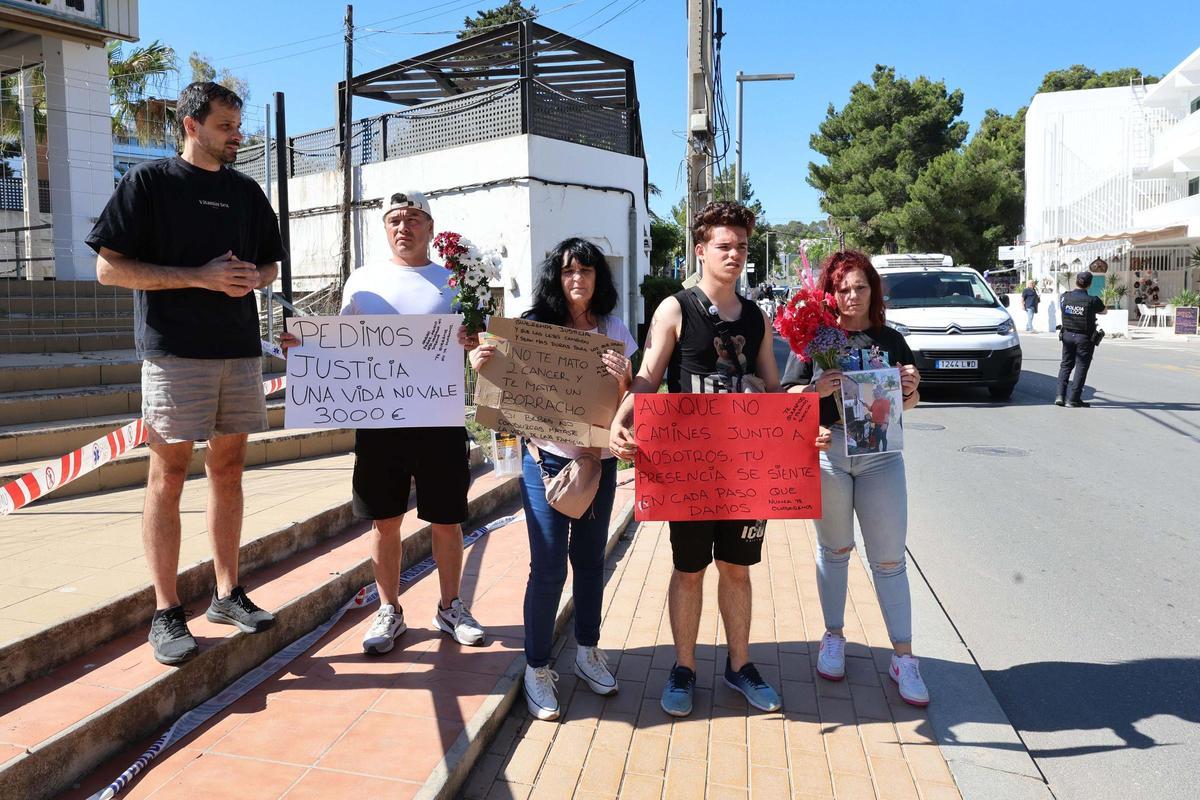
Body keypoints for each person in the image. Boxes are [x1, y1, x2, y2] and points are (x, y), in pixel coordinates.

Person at [87, 83, 284, 665]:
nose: (236, 134)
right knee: (167, 476)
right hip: (173, 354)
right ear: (191, 125)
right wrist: (198, 277)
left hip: (239, 351)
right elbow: (107, 270)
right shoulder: (147, 184)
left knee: (228, 469)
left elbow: (270, 263)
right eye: (225, 124)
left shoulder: (246, 192)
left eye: (237, 124)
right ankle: (166, 610)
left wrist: (254, 279)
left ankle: (227, 593)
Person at [283, 189, 485, 654]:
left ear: (431, 228)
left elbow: (481, 344)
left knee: (447, 520)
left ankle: (450, 606)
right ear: (385, 228)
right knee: (384, 521)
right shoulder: (362, 281)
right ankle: (389, 609)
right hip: (381, 423)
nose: (404, 226)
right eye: (395, 219)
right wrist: (303, 348)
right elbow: (338, 344)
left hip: (440, 421)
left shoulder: (456, 282)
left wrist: (475, 341)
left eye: (414, 218)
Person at [609, 201, 787, 717]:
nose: (735, 255)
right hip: (689, 470)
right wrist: (624, 416)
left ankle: (739, 665)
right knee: (689, 569)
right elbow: (648, 376)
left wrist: (805, 424)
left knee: (737, 568)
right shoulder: (675, 308)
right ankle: (683, 668)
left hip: (746, 470)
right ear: (701, 249)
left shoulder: (757, 318)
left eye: (742, 247)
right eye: (724, 246)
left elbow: (773, 391)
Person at [469, 238, 635, 721]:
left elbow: (628, 402)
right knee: (547, 569)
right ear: (555, 278)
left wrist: (624, 378)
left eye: (586, 271)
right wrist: (481, 366)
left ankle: (587, 651)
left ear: (599, 279)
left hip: (597, 463)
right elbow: (501, 395)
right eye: (568, 271)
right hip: (544, 463)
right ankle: (537, 666)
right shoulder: (532, 330)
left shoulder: (615, 329)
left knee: (588, 562)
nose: (577, 279)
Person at [780, 250, 930, 707]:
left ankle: (903, 656)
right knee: (835, 550)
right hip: (829, 456)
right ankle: (834, 637)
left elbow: (910, 405)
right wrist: (812, 392)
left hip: (881, 456)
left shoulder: (890, 339)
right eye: (842, 289)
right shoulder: (814, 341)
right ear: (829, 293)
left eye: (860, 287)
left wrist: (911, 387)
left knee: (889, 559)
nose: (851, 296)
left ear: (873, 291)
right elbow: (786, 398)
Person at [1056, 271, 1105, 408]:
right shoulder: (1092, 300)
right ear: (1089, 284)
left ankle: (1060, 395)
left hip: (1067, 335)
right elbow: (1104, 310)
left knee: (1065, 365)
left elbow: (1062, 308)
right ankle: (1073, 399)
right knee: (1081, 367)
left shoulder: (1064, 297)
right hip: (1084, 338)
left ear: (1076, 281)